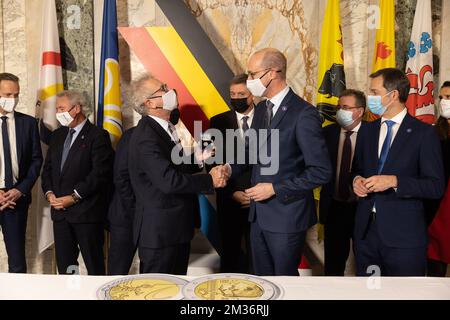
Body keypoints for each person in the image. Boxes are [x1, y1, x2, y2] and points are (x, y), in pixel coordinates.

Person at [222, 48, 332, 276]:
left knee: (284, 283)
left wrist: (274, 188)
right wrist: (228, 168)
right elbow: (250, 152)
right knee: (261, 282)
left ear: (272, 73)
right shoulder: (261, 109)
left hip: (287, 217)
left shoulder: (304, 114)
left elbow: (321, 171)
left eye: (252, 74)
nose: (249, 81)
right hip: (257, 217)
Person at [127, 74, 226, 275]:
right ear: (150, 103)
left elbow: (172, 167)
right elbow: (168, 181)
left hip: (176, 229)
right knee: (158, 293)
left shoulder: (164, 128)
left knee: (178, 289)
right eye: (163, 88)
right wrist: (210, 179)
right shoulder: (146, 136)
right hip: (160, 234)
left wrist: (197, 158)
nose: (169, 89)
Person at [352, 68, 445, 276]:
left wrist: (395, 181)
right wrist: (356, 180)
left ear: (393, 95)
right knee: (370, 292)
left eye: (374, 92)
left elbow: (435, 186)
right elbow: (356, 170)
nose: (370, 97)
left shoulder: (424, 134)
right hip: (366, 234)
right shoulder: (367, 130)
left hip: (404, 238)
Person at [41, 90, 114, 275]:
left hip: (87, 214)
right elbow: (48, 169)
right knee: (66, 268)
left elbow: (100, 174)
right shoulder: (57, 135)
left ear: (76, 109)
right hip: (60, 214)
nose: (58, 113)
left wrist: (74, 197)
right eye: (57, 109)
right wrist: (49, 193)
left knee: (94, 266)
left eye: (61, 108)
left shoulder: (98, 136)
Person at [209, 73, 254, 273]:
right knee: (230, 255)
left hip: (262, 200)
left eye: (241, 94)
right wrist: (231, 193)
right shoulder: (217, 122)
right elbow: (211, 163)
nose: (236, 98)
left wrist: (255, 194)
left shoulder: (269, 118)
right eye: (232, 94)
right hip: (229, 199)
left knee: (259, 257)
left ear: (253, 95)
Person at [320, 89, 366, 276]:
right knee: (333, 265)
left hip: (362, 208)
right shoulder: (326, 133)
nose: (340, 111)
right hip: (334, 207)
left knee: (365, 262)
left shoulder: (374, 133)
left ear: (360, 111)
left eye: (346, 107)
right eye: (339, 107)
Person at [0, 72, 43, 273]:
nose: (13, 100)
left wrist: (20, 190)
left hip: (16, 199)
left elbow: (36, 161)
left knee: (17, 261)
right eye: (8, 95)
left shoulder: (28, 123)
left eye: (16, 95)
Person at [427, 81, 450, 277]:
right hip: (438, 205)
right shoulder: (434, 132)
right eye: (441, 97)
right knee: (435, 256)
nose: (443, 102)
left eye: (448, 97)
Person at [107, 126, 137, 275]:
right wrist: (135, 210)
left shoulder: (172, 135)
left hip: (153, 219)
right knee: (116, 274)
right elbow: (120, 176)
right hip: (126, 216)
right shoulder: (131, 136)